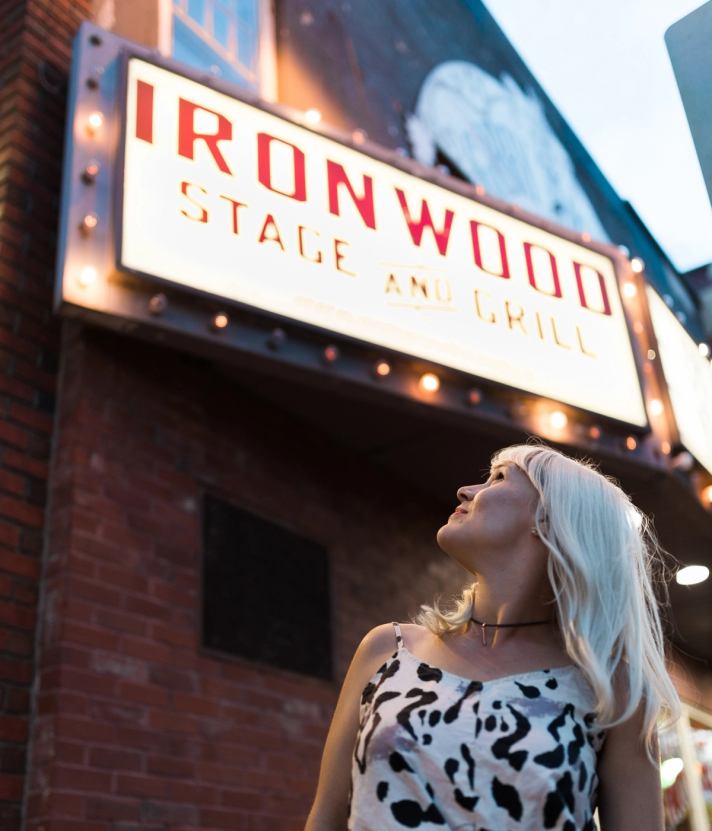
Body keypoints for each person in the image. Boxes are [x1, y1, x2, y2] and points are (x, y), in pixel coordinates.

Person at [304, 441, 681, 830]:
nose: (466, 491)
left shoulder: (612, 689)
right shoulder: (388, 649)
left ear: (550, 519)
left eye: (498, 478)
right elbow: (325, 819)